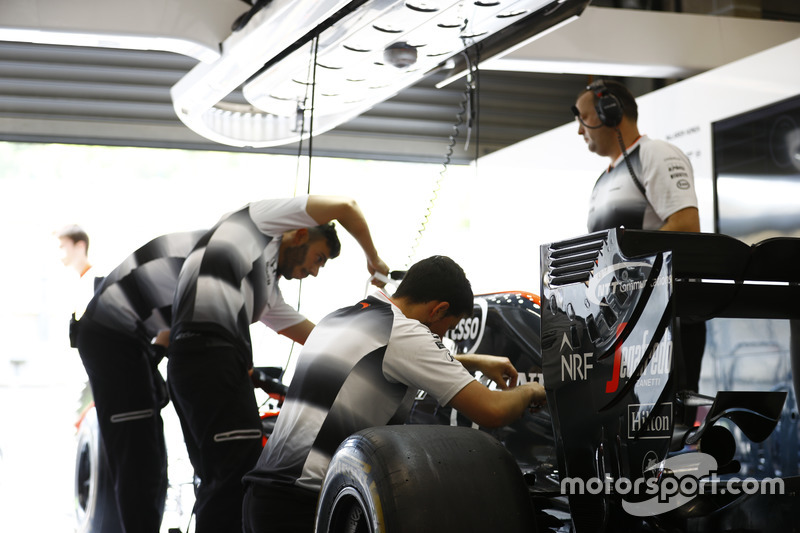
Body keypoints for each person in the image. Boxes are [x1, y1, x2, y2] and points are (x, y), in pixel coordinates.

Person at [242, 255, 547, 533]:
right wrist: (532, 389)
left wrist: (474, 360)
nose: (441, 338)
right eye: (445, 328)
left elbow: (378, 356)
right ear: (438, 309)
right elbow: (491, 409)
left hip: (262, 495)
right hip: (304, 505)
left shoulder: (344, 316)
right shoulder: (405, 332)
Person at [167, 195, 389, 533]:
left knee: (220, 477)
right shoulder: (260, 222)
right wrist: (374, 260)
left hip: (197, 362)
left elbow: (320, 340)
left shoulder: (265, 294)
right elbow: (348, 207)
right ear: (300, 233)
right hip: (210, 357)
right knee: (233, 475)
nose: (313, 272)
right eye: (318, 258)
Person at [572, 79, 705, 422]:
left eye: (584, 117)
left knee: (667, 426)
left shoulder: (655, 154)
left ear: (610, 113)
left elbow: (686, 226)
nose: (579, 130)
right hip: (624, 321)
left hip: (663, 316)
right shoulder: (603, 178)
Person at [75, 229, 207, 533]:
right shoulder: (208, 265)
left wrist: (155, 355)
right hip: (111, 340)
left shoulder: (200, 264)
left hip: (127, 340)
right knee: (139, 463)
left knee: (151, 459)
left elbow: (173, 321)